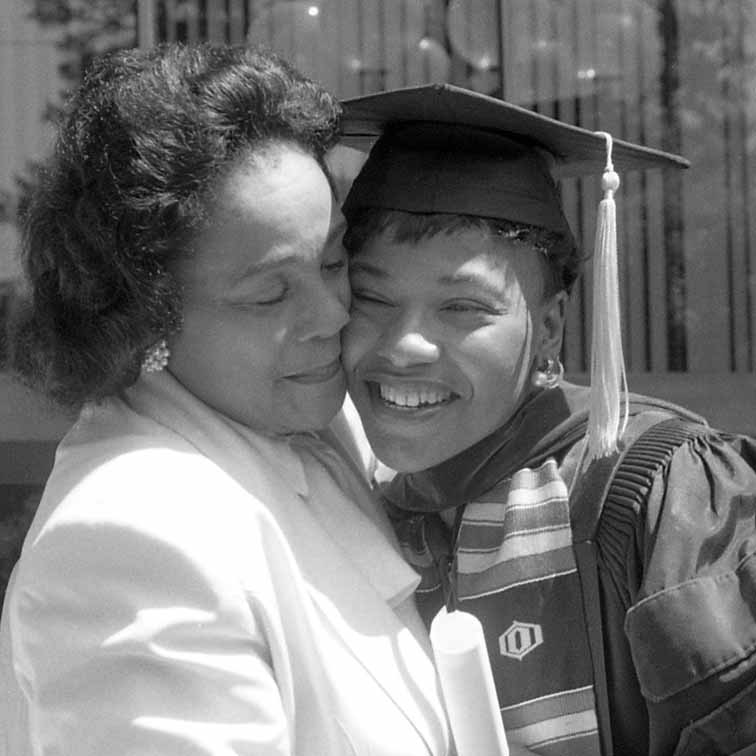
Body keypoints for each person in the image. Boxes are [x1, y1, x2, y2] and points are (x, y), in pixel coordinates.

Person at [0, 46, 451, 756]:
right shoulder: (130, 543)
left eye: (334, 261)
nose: (331, 313)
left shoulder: (316, 429)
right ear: (144, 314)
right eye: (271, 293)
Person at [339, 84, 756, 756]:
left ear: (551, 325)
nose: (403, 346)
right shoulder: (356, 509)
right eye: (371, 298)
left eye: (463, 308)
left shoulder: (652, 489)